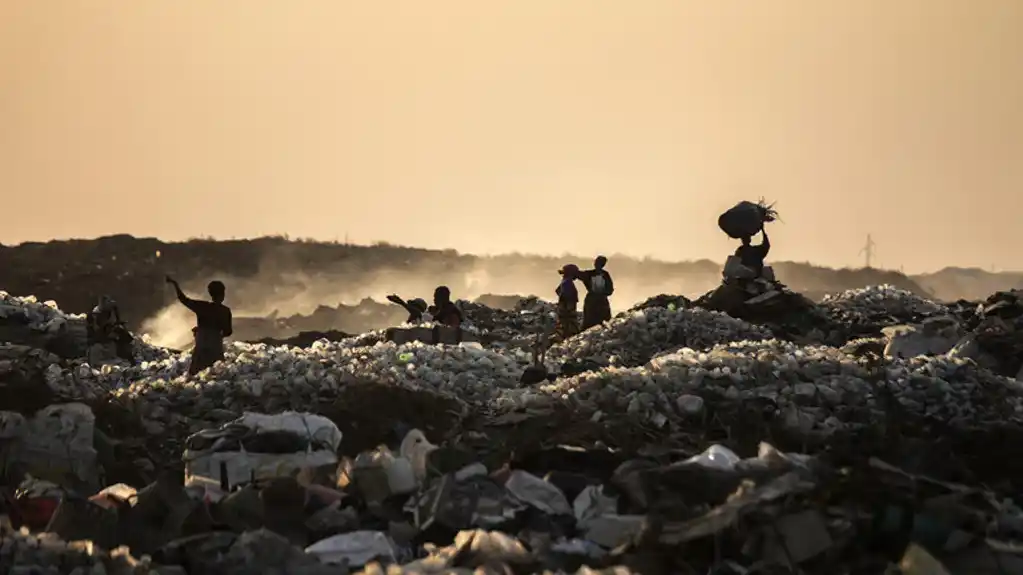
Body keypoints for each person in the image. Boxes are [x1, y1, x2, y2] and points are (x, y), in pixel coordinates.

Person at [166, 276, 233, 376]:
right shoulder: (225, 311)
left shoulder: (202, 306)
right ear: (223, 294)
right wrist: (217, 333)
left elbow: (183, 299)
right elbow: (228, 331)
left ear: (211, 294)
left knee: (196, 375)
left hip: (201, 346)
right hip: (215, 348)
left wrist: (175, 284)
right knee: (216, 374)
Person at [579, 255, 614, 330]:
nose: (596, 264)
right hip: (592, 301)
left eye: (599, 263)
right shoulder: (589, 274)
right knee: (589, 322)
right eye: (596, 262)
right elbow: (578, 274)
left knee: (603, 322)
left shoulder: (605, 275)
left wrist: (601, 294)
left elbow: (610, 289)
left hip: (600, 302)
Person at [554, 264, 581, 341]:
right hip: (568, 315)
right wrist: (569, 310)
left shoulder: (564, 281)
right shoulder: (568, 283)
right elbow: (569, 300)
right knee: (570, 336)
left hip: (564, 313)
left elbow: (557, 291)